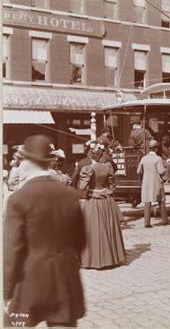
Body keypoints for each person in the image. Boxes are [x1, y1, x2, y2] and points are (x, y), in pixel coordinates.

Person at [4, 135, 85, 327]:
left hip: (30, 281)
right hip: (65, 280)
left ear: (28, 162)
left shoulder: (18, 199)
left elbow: (12, 249)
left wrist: (7, 292)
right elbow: (81, 240)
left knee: (15, 324)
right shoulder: (70, 195)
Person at [79, 143, 126, 269]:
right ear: (100, 155)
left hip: (94, 200)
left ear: (91, 155)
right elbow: (112, 183)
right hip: (106, 199)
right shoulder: (107, 167)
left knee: (94, 229)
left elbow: (82, 187)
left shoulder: (88, 169)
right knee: (109, 227)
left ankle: (95, 260)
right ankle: (112, 258)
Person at [136, 140, 168, 228]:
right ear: (156, 149)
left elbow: (138, 171)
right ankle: (164, 220)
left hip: (146, 182)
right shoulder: (158, 158)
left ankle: (147, 222)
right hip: (156, 181)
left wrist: (144, 175)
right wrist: (166, 169)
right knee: (161, 200)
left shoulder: (144, 158)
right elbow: (161, 171)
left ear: (149, 148)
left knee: (147, 201)